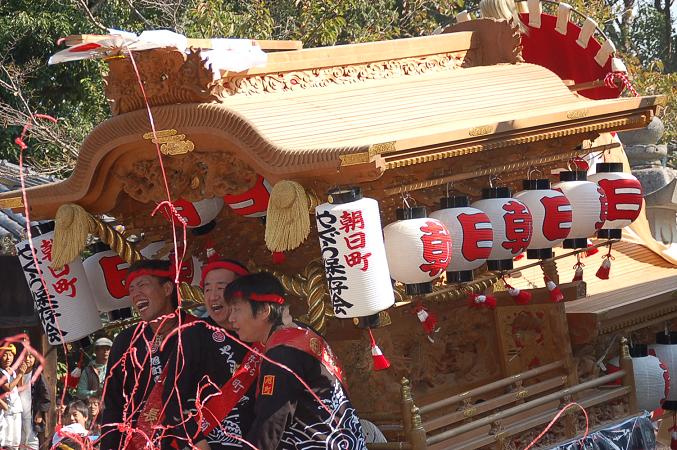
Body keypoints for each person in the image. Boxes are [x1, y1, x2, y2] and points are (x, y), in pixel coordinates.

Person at [225, 272, 367, 449]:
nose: (231, 319)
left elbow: (271, 424)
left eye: (237, 309)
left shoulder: (283, 353)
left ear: (264, 310)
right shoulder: (300, 333)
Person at [100, 260, 207, 450]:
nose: (135, 294)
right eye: (131, 289)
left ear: (167, 289)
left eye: (142, 285)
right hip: (142, 442)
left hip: (195, 440)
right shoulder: (126, 341)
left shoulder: (200, 332)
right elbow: (112, 403)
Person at [162, 258, 254, 450]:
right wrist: (197, 442)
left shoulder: (259, 335)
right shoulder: (194, 334)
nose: (213, 296)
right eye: (207, 289)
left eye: (221, 288)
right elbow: (173, 396)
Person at [18, 350, 49, 450]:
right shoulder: (16, 372)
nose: (27, 359)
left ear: (35, 359)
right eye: (25, 356)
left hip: (30, 411)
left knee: (30, 437)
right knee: (18, 437)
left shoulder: (37, 375)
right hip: (17, 410)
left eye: (31, 357)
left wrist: (40, 412)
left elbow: (45, 394)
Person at [0, 343, 25, 449]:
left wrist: (21, 373)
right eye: (4, 355)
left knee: (16, 439)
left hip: (16, 407)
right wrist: (19, 375)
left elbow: (20, 386)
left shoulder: (13, 371)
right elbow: (9, 387)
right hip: (6, 409)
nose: (8, 358)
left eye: (10, 355)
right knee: (7, 438)